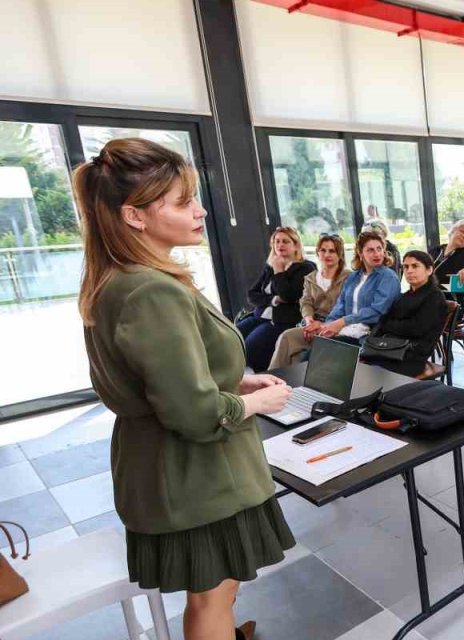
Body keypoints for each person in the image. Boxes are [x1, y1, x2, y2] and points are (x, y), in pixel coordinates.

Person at [74, 138, 294, 640]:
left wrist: (233, 380)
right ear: (134, 216)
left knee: (219, 592)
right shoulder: (151, 290)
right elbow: (193, 412)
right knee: (213, 596)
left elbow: (156, 379)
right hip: (194, 477)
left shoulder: (123, 279)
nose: (199, 212)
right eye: (181, 202)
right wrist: (256, 401)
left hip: (174, 471)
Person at [235, 227, 316, 372]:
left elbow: (288, 295)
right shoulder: (270, 266)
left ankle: (261, 377)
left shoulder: (305, 268)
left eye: (285, 241)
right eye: (277, 242)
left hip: (282, 321)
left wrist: (279, 271)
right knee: (231, 338)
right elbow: (252, 295)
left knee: (249, 347)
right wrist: (273, 300)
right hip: (259, 316)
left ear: (295, 245)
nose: (280, 245)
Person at [268, 234, 351, 369]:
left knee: (299, 355)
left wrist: (323, 324)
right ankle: (272, 381)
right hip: (312, 324)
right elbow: (305, 302)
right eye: (323, 250)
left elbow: (348, 307)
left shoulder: (349, 277)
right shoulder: (310, 278)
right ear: (318, 253)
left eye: (332, 251)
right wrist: (309, 320)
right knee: (287, 337)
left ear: (340, 254)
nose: (327, 254)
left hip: (336, 325)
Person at [363, 250, 449, 378]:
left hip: (411, 355)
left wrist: (388, 324)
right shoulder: (406, 296)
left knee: (371, 372)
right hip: (390, 349)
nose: (409, 271)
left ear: (429, 270)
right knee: (359, 364)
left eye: (415, 266)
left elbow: (415, 329)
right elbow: (386, 320)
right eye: (406, 266)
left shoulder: (434, 297)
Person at [317, 231, 401, 342]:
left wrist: (343, 321)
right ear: (360, 253)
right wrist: (329, 324)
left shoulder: (388, 277)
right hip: (346, 328)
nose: (377, 254)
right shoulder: (353, 277)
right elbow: (340, 305)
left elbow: (377, 312)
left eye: (379, 249)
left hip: (369, 334)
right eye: (370, 250)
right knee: (304, 339)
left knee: (320, 348)